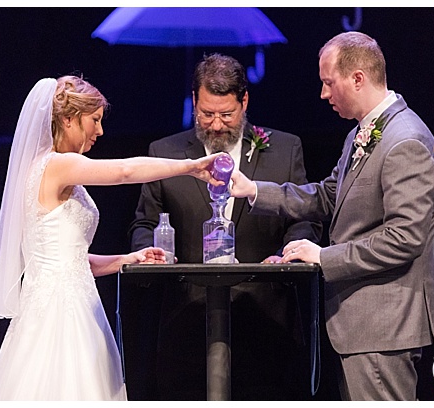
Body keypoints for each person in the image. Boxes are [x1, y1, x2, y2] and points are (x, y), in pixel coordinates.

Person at [227, 31, 434, 401]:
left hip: (384, 325)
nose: (323, 94)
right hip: (363, 326)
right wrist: (254, 190)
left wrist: (323, 256)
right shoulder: (361, 133)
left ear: (357, 78)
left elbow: (405, 238)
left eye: (329, 83)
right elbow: (329, 196)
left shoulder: (405, 140)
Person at [0, 76, 221, 400]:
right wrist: (189, 167)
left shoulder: (47, 169)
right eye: (94, 120)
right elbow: (124, 172)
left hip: (65, 302)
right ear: (68, 119)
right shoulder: (57, 165)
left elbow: (68, 260)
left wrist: (125, 259)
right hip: (61, 314)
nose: (100, 131)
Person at [125, 53, 322, 400]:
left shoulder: (286, 149)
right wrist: (149, 251)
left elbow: (302, 219)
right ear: (194, 101)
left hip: (265, 320)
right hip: (186, 320)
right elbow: (146, 221)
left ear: (244, 102)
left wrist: (288, 254)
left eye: (226, 115)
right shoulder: (164, 152)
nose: (216, 125)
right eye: (207, 114)